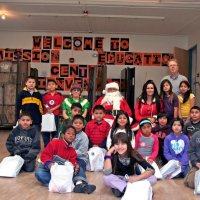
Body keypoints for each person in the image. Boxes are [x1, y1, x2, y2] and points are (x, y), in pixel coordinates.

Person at [35, 125, 96, 194]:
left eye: (73, 134)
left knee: (79, 168)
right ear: (63, 135)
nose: (71, 135)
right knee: (39, 173)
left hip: (64, 173)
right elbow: (45, 155)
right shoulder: (55, 143)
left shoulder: (72, 151)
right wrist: (49, 164)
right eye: (68, 133)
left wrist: (75, 166)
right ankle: (68, 184)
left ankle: (80, 184)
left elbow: (73, 162)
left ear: (75, 138)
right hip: (52, 171)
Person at [103, 132, 156, 198]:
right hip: (119, 179)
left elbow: (151, 169)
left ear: (128, 144)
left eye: (123, 143)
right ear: (113, 145)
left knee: (153, 178)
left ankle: (126, 190)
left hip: (132, 179)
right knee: (106, 178)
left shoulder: (134, 153)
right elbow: (107, 172)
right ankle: (138, 190)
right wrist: (108, 153)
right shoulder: (112, 154)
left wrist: (136, 178)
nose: (120, 147)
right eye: (117, 144)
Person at [42, 79, 63, 147]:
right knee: (46, 130)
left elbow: (60, 104)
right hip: (47, 115)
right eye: (49, 85)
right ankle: (47, 145)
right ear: (47, 87)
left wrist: (52, 109)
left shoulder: (59, 95)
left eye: (53, 84)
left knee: (55, 130)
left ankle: (54, 145)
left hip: (55, 115)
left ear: (56, 86)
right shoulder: (45, 95)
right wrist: (48, 109)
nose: (51, 86)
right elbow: (44, 103)